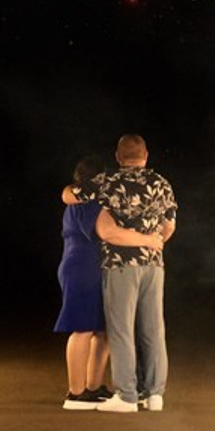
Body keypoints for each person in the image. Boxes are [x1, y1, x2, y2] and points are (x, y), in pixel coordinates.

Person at [71, 134, 177, 414]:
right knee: (153, 329)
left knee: (120, 330)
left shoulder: (109, 181)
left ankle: (127, 396)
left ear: (118, 157)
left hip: (120, 265)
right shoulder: (162, 183)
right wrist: (155, 240)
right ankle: (154, 395)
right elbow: (170, 226)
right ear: (146, 156)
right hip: (154, 265)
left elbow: (71, 195)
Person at [55, 156, 162, 410]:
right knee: (82, 328)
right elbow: (109, 232)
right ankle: (75, 392)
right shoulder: (90, 204)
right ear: (99, 181)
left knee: (102, 330)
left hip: (93, 268)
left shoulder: (85, 199)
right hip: (83, 269)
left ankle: (92, 388)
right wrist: (148, 240)